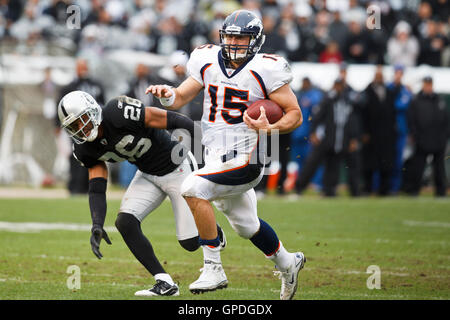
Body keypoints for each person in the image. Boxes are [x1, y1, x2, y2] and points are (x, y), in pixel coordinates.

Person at [146, 9, 306, 300]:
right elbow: (180, 97)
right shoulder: (206, 59)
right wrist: (165, 94)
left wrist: (271, 127)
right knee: (247, 226)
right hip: (216, 156)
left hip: (248, 157)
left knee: (193, 188)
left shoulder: (267, 68)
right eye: (230, 36)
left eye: (241, 37)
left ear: (255, 40)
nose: (234, 42)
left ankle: (213, 268)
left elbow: (295, 115)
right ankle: (288, 261)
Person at [57, 91, 226, 297]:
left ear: (92, 111)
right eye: (74, 127)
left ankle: (213, 231)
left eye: (81, 120)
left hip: (177, 167)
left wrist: (205, 141)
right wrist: (97, 223)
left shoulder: (117, 112)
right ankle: (164, 282)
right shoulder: (85, 149)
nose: (80, 129)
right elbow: (97, 186)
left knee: (190, 243)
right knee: (125, 222)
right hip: (147, 173)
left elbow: (169, 118)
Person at [56, 59, 105, 195]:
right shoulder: (70, 87)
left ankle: (87, 186)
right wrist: (58, 127)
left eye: (84, 67)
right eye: (80, 67)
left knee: (93, 156)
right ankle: (74, 186)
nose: (83, 70)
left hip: (94, 126)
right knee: (76, 155)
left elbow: (102, 105)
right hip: (76, 128)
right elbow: (61, 109)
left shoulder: (96, 85)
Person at [403, 76, 449, 196]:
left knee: (439, 168)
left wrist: (444, 137)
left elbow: (445, 120)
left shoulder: (439, 100)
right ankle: (414, 190)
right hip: (422, 140)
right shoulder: (416, 100)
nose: (428, 86)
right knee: (418, 167)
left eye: (430, 84)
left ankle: (441, 191)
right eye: (426, 84)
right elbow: (411, 120)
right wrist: (416, 135)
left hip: (438, 140)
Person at [361, 66, 396, 196]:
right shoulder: (367, 92)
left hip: (386, 134)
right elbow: (363, 114)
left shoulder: (389, 92)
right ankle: (368, 188)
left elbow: (392, 113)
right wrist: (364, 132)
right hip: (371, 133)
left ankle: (384, 189)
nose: (379, 78)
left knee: (385, 163)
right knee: (369, 163)